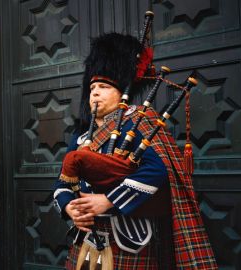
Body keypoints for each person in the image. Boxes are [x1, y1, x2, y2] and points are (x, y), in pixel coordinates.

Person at [52, 33, 218, 269]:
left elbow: (157, 170)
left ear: (121, 94)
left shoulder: (138, 121)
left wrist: (108, 200)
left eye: (104, 87)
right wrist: (70, 208)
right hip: (86, 237)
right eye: (92, 88)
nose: (95, 93)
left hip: (127, 235)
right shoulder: (80, 137)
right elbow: (62, 183)